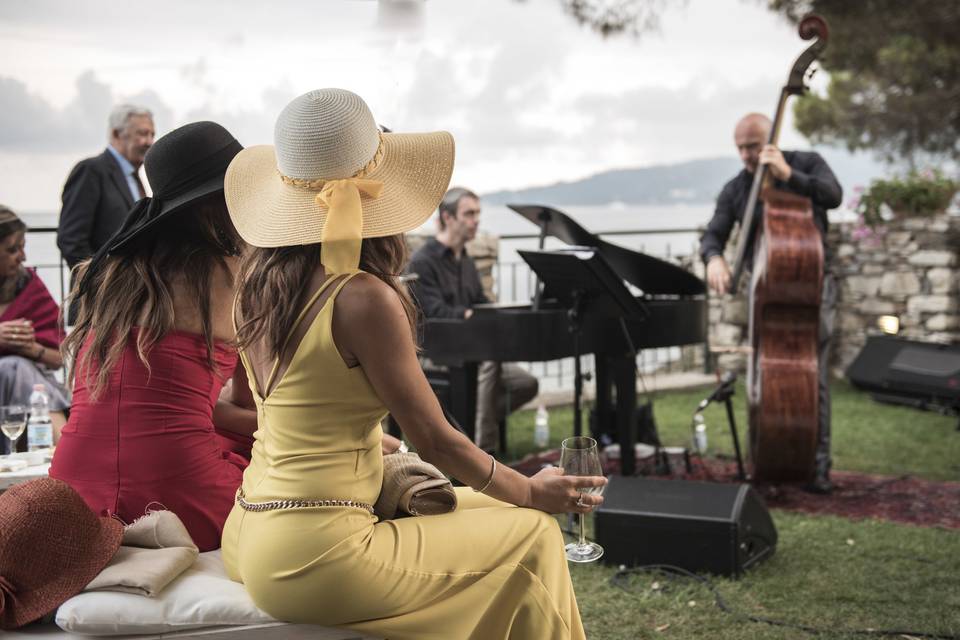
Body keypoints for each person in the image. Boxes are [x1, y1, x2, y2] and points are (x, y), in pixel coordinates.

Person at [221, 88, 603, 639]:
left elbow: (274, 406)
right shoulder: (361, 297)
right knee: (534, 532)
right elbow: (435, 439)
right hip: (318, 553)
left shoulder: (251, 287)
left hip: (250, 528)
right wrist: (530, 489)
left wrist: (373, 445)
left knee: (497, 515)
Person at [49, 121, 257, 551]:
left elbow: (158, 400)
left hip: (73, 492)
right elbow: (256, 410)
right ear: (216, 205)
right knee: (268, 456)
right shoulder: (232, 276)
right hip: (177, 495)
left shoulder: (108, 274)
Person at [699, 112, 842, 494]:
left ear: (772, 138)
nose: (746, 154)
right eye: (740, 147)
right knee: (761, 375)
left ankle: (817, 466)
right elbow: (714, 232)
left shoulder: (806, 163)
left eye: (753, 145)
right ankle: (765, 462)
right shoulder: (735, 189)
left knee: (814, 378)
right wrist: (714, 257)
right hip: (764, 296)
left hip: (812, 292)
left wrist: (788, 175)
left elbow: (834, 195)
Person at [408, 187, 539, 453]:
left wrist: (498, 314)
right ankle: (482, 450)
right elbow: (432, 311)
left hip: (474, 349)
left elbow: (480, 301)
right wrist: (469, 315)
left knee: (526, 383)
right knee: (490, 364)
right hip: (437, 352)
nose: (476, 220)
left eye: (477, 213)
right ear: (447, 218)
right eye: (469, 214)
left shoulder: (465, 261)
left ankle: (467, 427)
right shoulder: (423, 261)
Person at [0, 205, 69, 453]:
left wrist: (32, 349)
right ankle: (64, 455)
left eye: (23, 246)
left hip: (32, 386)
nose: (23, 257)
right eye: (12, 249)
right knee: (12, 368)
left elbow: (60, 357)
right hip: (21, 386)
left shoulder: (27, 285)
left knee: (18, 369)